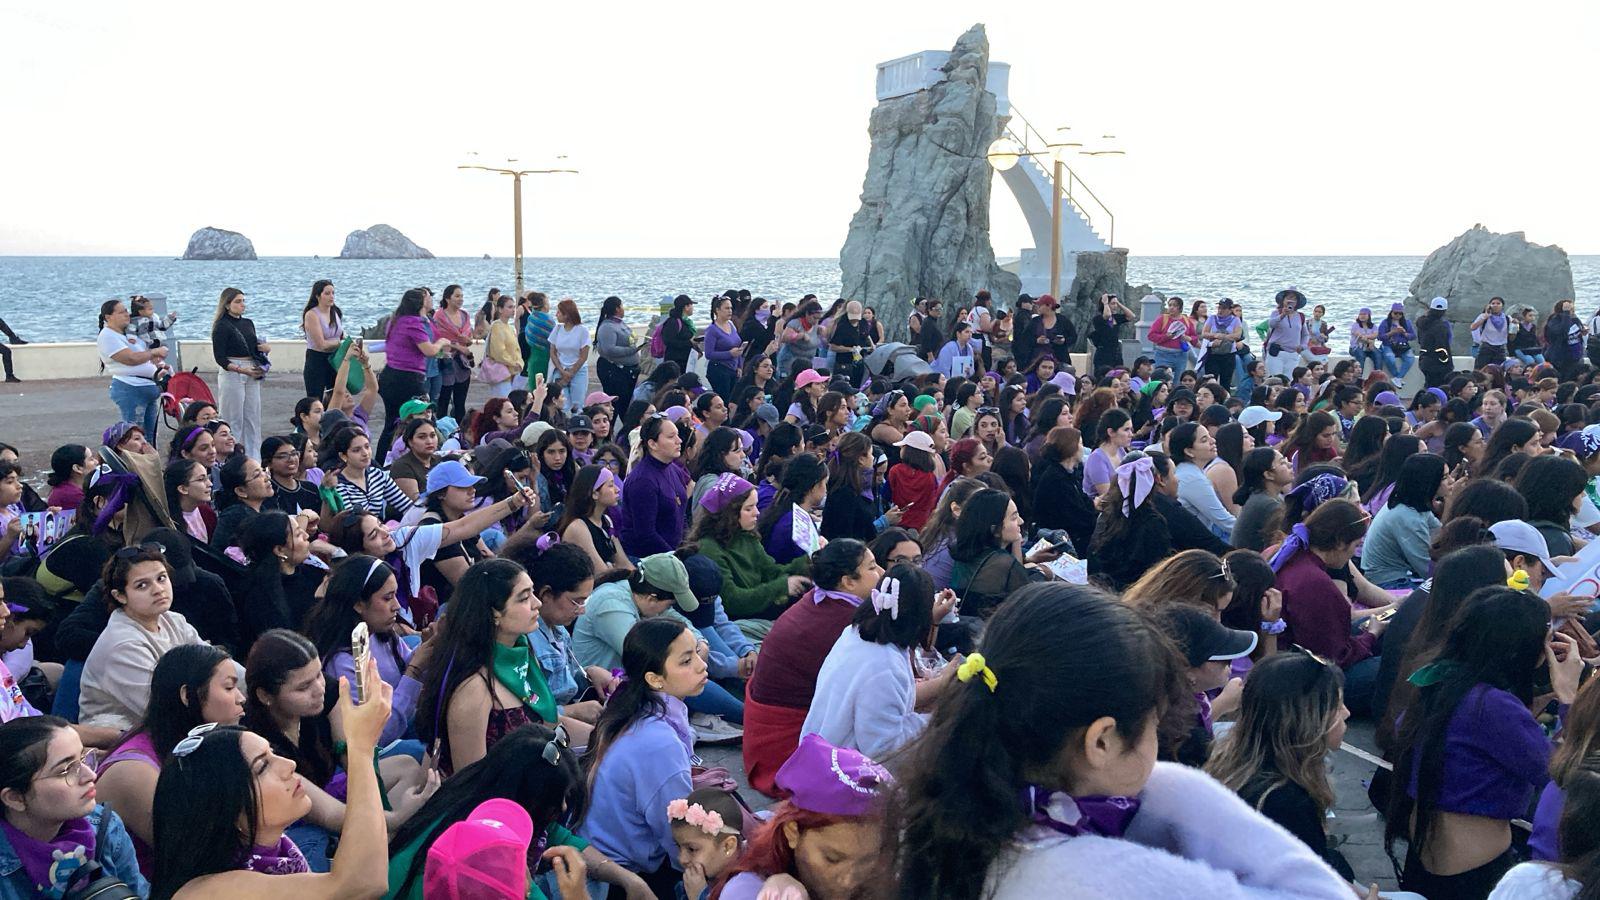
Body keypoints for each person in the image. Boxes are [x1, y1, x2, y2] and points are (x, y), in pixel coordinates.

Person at [881, 582, 1354, 899]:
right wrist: (1181, 790)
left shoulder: (951, 811)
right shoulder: (1103, 879)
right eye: (1155, 722)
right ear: (1102, 741)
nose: (1160, 740)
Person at [1386, 587, 1582, 899]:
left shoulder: (1440, 682)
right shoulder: (1492, 706)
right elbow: (1563, 773)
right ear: (1521, 650)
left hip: (1424, 861)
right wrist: (1570, 695)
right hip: (1476, 875)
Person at [147, 655, 392, 899]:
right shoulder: (208, 891)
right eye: (263, 766)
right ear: (226, 806)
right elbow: (360, 883)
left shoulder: (276, 851)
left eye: (273, 753)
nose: (288, 765)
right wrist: (360, 748)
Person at [386, 725, 651, 900]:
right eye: (554, 801)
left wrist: (626, 878)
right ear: (525, 800)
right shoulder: (488, 858)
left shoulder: (475, 799)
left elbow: (558, 836)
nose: (562, 809)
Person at [741, 539, 882, 797]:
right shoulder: (842, 621)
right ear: (848, 582)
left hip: (769, 726)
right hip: (783, 745)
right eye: (872, 567)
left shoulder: (824, 603)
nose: (882, 573)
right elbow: (872, 691)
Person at [94, 643, 246, 880]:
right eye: (229, 687)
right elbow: (199, 855)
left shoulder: (197, 745)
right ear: (187, 695)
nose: (241, 698)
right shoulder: (134, 771)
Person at [578, 618, 704, 894]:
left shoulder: (629, 704)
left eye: (696, 652)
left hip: (599, 854)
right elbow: (678, 836)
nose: (701, 664)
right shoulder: (659, 743)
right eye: (685, 661)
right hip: (620, 878)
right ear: (654, 679)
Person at [1205, 651, 1355, 880]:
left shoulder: (1240, 764)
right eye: (1338, 705)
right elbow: (1307, 886)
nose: (1347, 713)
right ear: (1308, 720)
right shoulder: (1286, 801)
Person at [415, 559, 558, 776]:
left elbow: (547, 725)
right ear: (494, 613)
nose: (537, 603)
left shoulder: (522, 653)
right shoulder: (473, 688)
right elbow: (471, 784)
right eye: (524, 597)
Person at [714, 734, 889, 900]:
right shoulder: (749, 891)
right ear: (793, 833)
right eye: (832, 858)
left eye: (867, 862)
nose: (849, 881)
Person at [801, 565, 948, 759]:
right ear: (920, 616)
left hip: (820, 755)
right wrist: (936, 721)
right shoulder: (885, 666)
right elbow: (883, 749)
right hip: (843, 774)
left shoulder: (855, 633)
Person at [0, 716, 149, 899]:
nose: (90, 775)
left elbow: (139, 894)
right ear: (15, 798)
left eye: (83, 758)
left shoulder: (105, 825)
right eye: (65, 770)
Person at [1269, 499, 1389, 716]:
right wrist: (1371, 635)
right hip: (1306, 681)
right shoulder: (1314, 581)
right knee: (1395, 663)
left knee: (1369, 627)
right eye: (1355, 545)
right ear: (1341, 542)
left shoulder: (1289, 553)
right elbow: (1333, 658)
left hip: (1290, 659)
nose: (1353, 553)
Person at [79, 544, 205, 731]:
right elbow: (165, 709)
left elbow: (217, 666)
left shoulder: (174, 620)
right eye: (142, 585)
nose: (158, 589)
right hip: (123, 743)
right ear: (120, 596)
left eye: (161, 578)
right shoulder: (121, 645)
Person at [690, 474, 811, 619]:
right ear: (730, 514)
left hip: (758, 614)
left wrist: (810, 560)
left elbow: (772, 571)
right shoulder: (710, 549)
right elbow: (732, 601)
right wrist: (781, 586)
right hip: (739, 622)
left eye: (755, 506)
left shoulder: (746, 536)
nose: (757, 513)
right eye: (749, 509)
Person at [376, 288, 453, 462]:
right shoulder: (413, 322)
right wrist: (442, 341)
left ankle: (382, 462)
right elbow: (429, 350)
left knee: (392, 423)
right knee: (420, 420)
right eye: (427, 297)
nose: (431, 299)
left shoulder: (397, 320)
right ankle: (415, 459)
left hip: (390, 376)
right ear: (420, 303)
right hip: (407, 379)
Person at [1361, 453, 1447, 587]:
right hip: (1388, 581)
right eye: (1445, 477)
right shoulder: (1407, 517)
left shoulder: (1416, 506)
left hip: (1403, 574)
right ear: (1429, 481)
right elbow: (1427, 569)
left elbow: (1441, 535)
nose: (1452, 480)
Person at [619, 414, 689, 558]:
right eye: (671, 437)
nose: (679, 440)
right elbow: (646, 534)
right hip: (652, 560)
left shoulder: (674, 469)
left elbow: (682, 516)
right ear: (652, 444)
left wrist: (687, 546)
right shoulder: (642, 481)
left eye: (678, 435)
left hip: (676, 552)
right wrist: (675, 558)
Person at [210, 288, 268, 461]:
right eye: (238, 301)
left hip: (251, 366)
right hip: (233, 370)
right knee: (232, 418)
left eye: (243, 301)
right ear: (227, 304)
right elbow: (220, 358)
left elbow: (252, 346)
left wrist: (264, 350)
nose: (242, 305)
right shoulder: (221, 326)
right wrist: (242, 369)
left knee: (252, 416)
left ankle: (253, 458)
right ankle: (230, 457)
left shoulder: (248, 323)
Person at [97, 298, 168, 437]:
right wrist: (154, 352)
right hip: (131, 389)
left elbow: (142, 355)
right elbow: (130, 359)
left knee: (150, 435)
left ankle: (150, 458)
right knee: (135, 435)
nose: (127, 314)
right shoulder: (107, 336)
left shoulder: (128, 334)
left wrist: (157, 365)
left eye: (126, 311)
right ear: (108, 317)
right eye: (122, 312)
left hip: (146, 387)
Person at [669, 787, 746, 900]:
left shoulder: (745, 888)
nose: (682, 859)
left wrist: (699, 896)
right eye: (678, 846)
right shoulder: (706, 877)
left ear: (728, 846)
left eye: (692, 849)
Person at [1232, 447, 1293, 551]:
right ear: (1268, 474)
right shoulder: (1268, 504)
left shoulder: (1265, 496)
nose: (1290, 465)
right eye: (1282, 463)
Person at [431, 285, 476, 422]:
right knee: (443, 400)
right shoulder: (439, 316)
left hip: (462, 363)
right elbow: (437, 338)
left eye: (461, 296)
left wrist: (466, 342)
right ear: (447, 298)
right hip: (446, 362)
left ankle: (459, 432)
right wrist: (457, 345)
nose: (460, 299)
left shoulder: (465, 315)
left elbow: (468, 337)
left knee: (460, 402)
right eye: (457, 296)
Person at [595, 295, 642, 415]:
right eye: (621, 306)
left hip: (629, 371)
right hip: (615, 371)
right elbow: (609, 349)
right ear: (617, 309)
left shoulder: (620, 324)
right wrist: (631, 350)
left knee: (627, 405)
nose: (623, 308)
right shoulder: (607, 327)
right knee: (618, 405)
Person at [301, 280, 344, 401]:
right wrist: (339, 343)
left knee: (337, 397)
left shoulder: (336, 312)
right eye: (327, 293)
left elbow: (341, 335)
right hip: (316, 360)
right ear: (318, 296)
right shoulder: (311, 315)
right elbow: (322, 345)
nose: (331, 296)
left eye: (333, 293)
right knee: (315, 400)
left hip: (335, 359)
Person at [547, 299, 590, 415]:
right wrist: (562, 371)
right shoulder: (557, 329)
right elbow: (553, 352)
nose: (556, 315)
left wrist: (571, 372)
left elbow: (584, 355)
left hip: (579, 371)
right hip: (560, 369)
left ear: (567, 314)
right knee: (563, 405)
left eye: (559, 312)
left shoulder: (582, 330)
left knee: (577, 405)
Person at [1416, 296, 1456, 389]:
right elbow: (1441, 347)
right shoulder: (1441, 326)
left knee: (1429, 385)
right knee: (1440, 387)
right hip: (1438, 364)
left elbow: (1419, 340)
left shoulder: (1421, 323)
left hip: (1424, 359)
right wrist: (1447, 362)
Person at [1088, 293, 1134, 372]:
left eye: (1115, 304)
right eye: (1112, 304)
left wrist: (1119, 303)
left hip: (1115, 353)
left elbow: (1131, 316)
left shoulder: (1116, 318)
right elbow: (1107, 315)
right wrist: (1105, 303)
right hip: (1103, 353)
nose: (1115, 306)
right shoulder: (1098, 318)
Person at [1544, 298, 1585, 380]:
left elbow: (1579, 331)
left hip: (1575, 354)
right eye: (1571, 309)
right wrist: (1566, 314)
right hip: (1561, 356)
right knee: (1563, 378)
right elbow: (1563, 331)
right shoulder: (1554, 320)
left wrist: (1582, 332)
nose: (1573, 312)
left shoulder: (1575, 319)